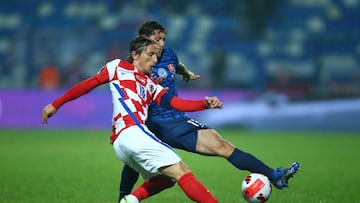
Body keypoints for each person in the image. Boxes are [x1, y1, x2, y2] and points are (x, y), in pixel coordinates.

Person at [118, 21, 300, 202]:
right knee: (136, 162)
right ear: (142, 41)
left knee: (222, 145)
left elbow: (175, 65)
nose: (161, 44)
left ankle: (273, 175)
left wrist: (185, 72)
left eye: (164, 39)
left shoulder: (169, 55)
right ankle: (124, 198)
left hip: (175, 120)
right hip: (152, 123)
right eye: (157, 40)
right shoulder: (134, 65)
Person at [42, 36, 223, 203]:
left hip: (123, 143)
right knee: (183, 172)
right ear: (134, 54)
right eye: (150, 54)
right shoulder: (118, 67)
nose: (155, 60)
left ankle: (131, 200)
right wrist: (56, 104)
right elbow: (89, 84)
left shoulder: (151, 85)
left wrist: (204, 104)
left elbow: (176, 103)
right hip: (132, 132)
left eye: (156, 56)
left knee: (167, 179)